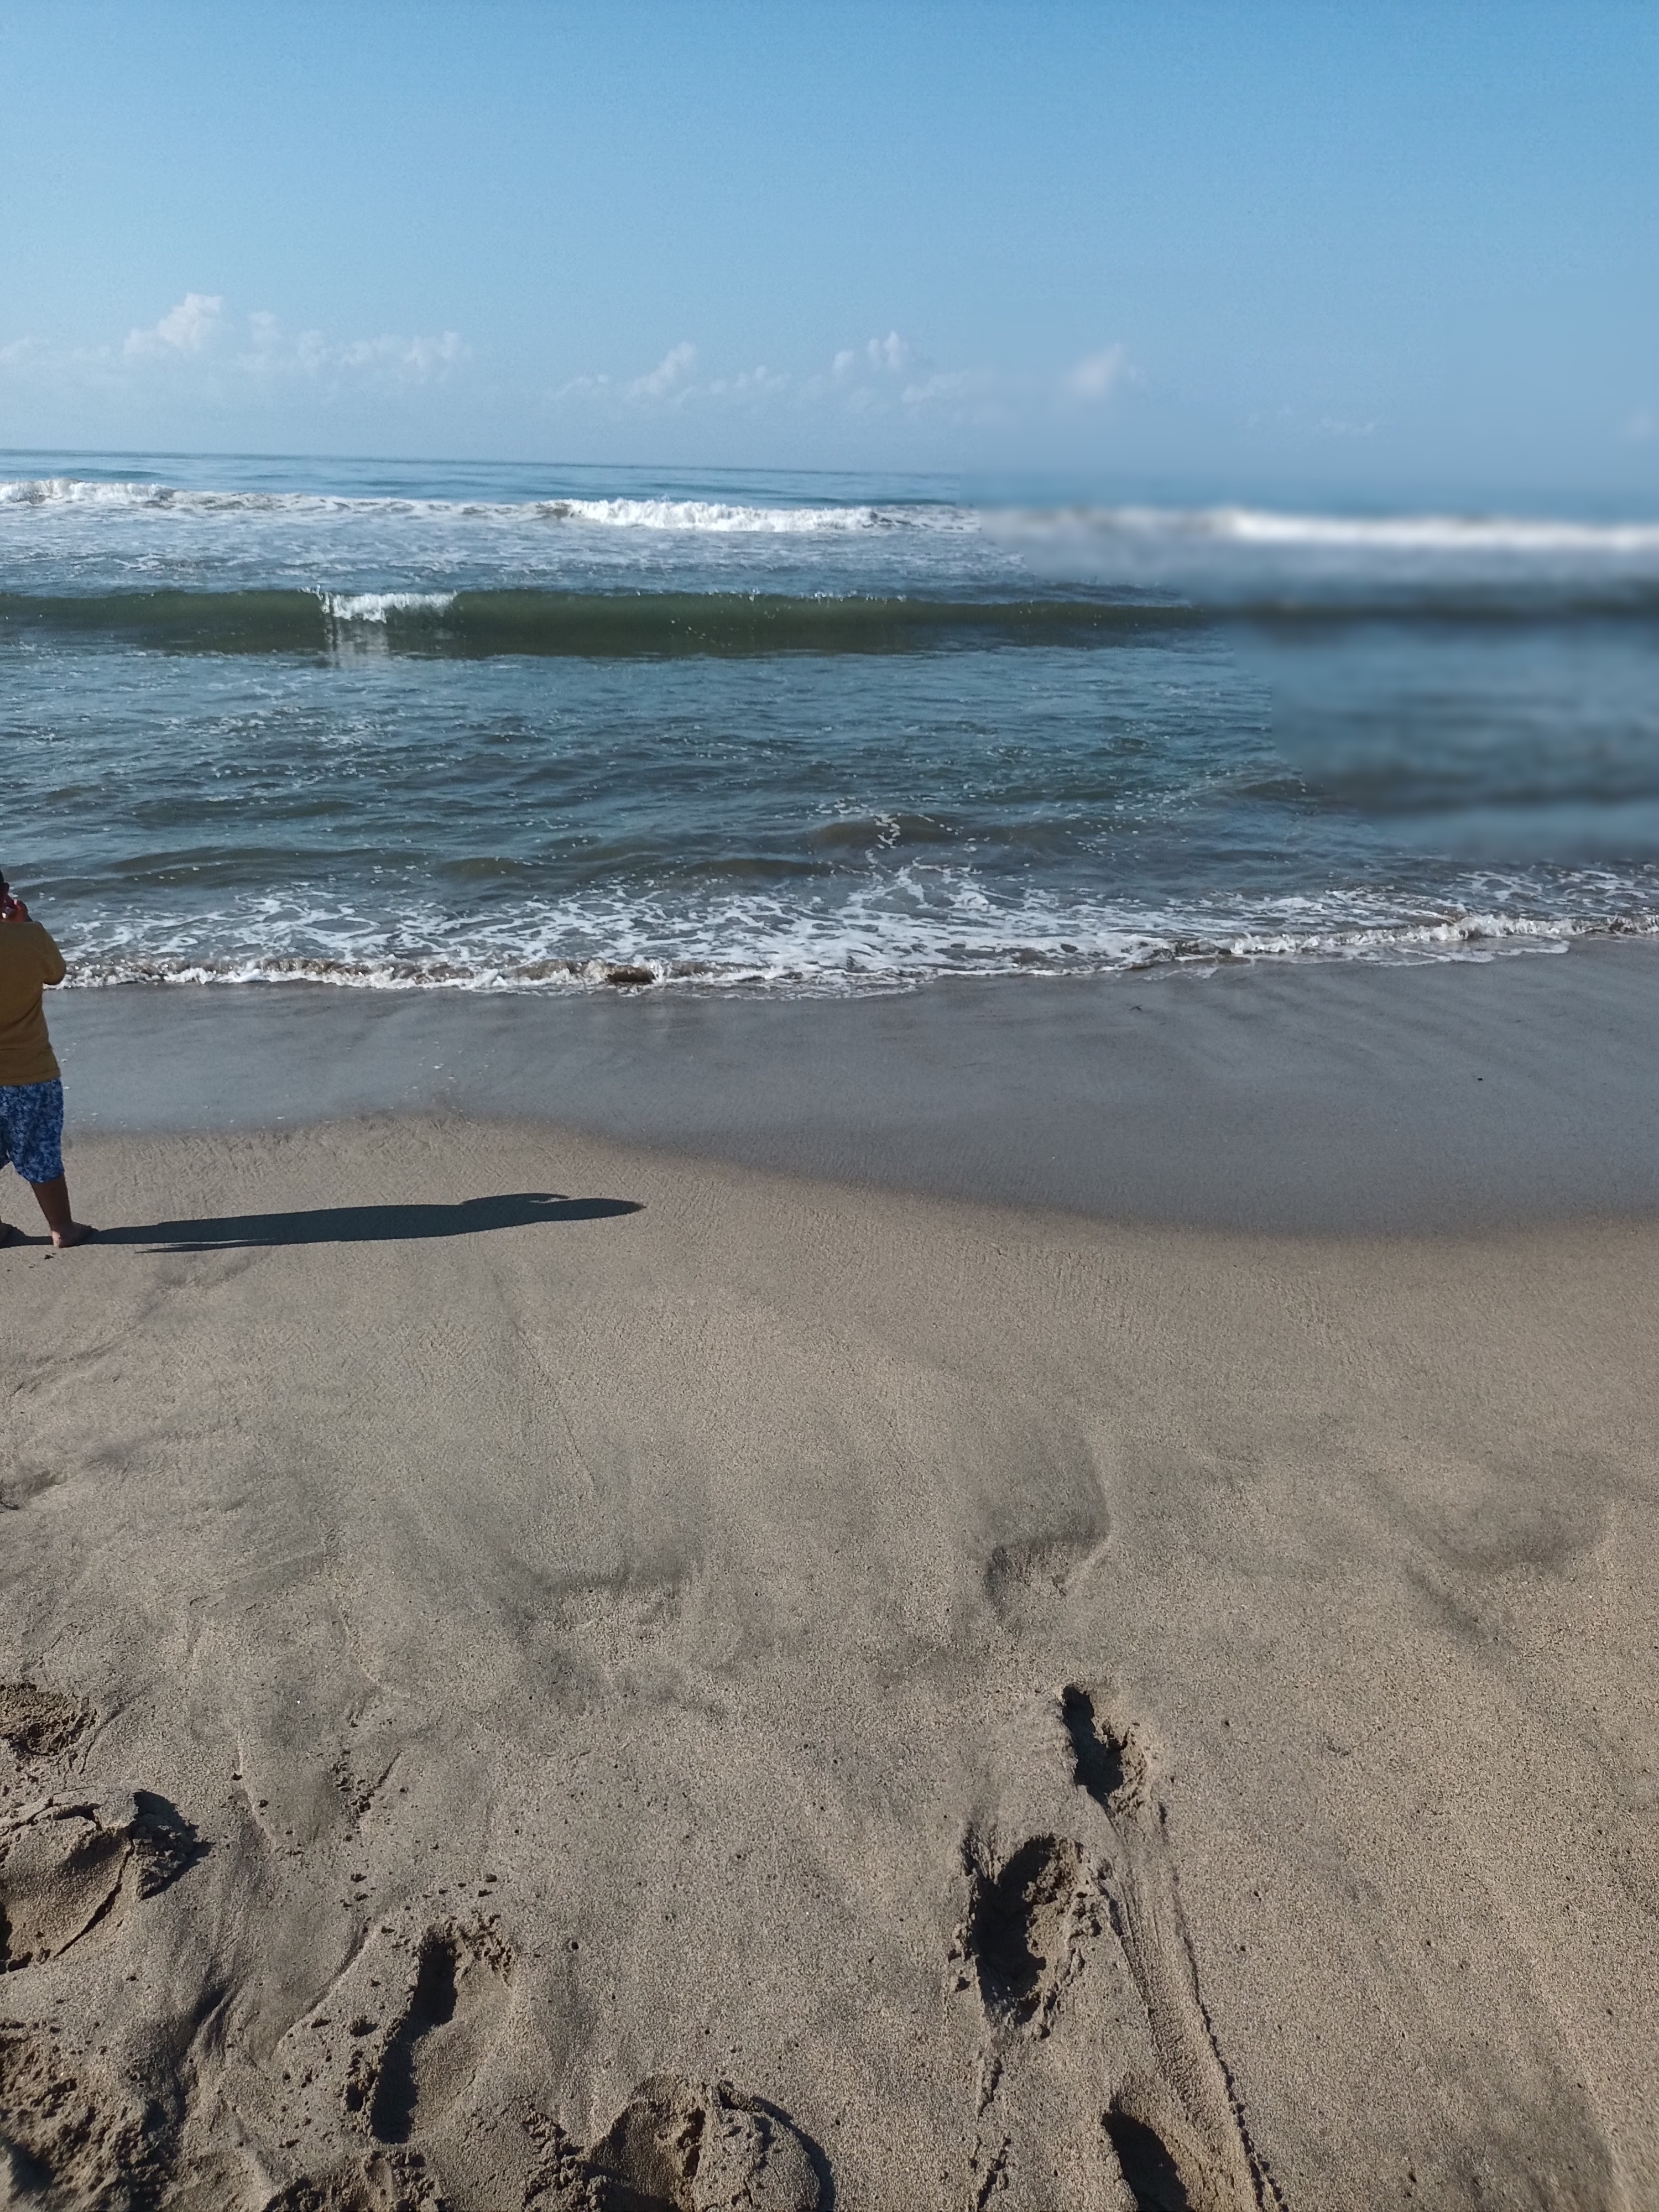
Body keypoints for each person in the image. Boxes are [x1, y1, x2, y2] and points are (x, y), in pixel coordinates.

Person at [0, 868, 92, 1249]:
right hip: (29, 1073)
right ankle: (62, 1228)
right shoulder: (29, 937)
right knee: (39, 1151)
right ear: (5, 893)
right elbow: (55, 974)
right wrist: (24, 925)